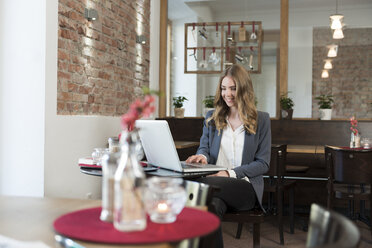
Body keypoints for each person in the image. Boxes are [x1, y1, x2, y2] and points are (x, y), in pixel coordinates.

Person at [186, 64, 271, 248]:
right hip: (215, 187)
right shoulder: (212, 117)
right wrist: (202, 157)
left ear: (244, 89)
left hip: (244, 188)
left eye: (233, 88)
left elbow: (263, 164)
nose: (228, 94)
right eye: (224, 89)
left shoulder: (261, 119)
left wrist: (229, 174)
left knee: (195, 185)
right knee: (211, 209)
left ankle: (185, 185)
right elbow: (204, 149)